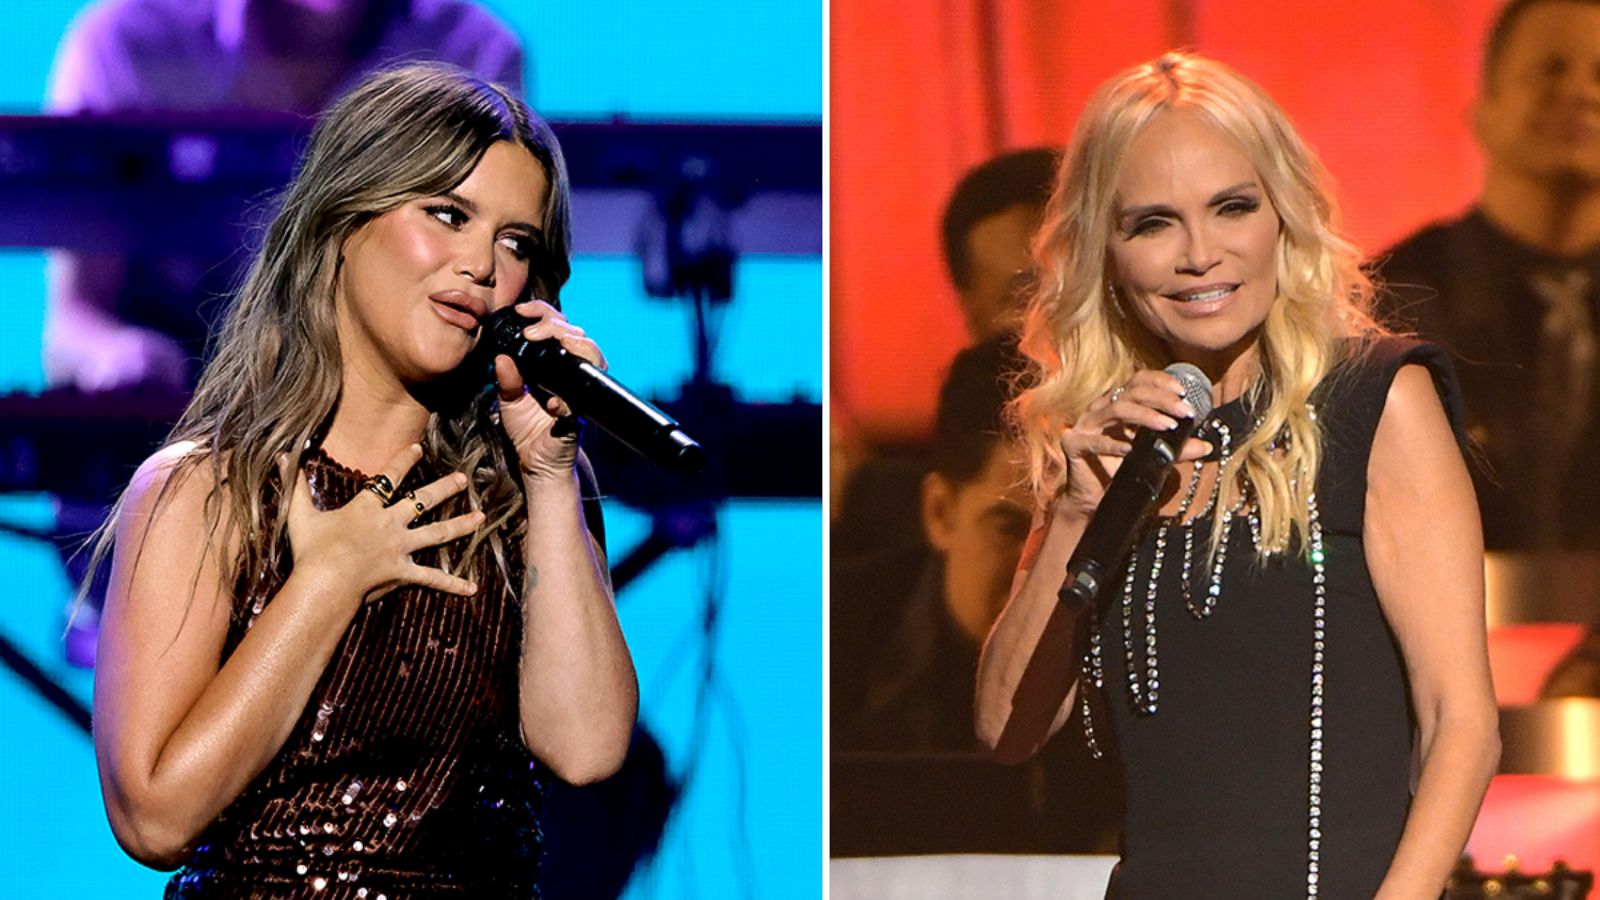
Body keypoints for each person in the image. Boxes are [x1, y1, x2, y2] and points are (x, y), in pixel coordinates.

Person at [87, 63, 637, 897]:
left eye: (515, 242)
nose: (482, 266)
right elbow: (155, 819)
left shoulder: (524, 493)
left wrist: (553, 476)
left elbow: (587, 748)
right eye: (447, 215)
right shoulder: (207, 491)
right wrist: (331, 578)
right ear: (346, 220)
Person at [975, 53, 1500, 898]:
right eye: (1152, 223)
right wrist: (1075, 515)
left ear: (1283, 215)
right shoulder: (1110, 442)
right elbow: (1005, 730)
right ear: (1104, 250)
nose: (1200, 255)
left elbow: (1461, 724)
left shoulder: (1376, 400)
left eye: (1232, 207)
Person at [831, 336, 1121, 855]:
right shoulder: (838, 638)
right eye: (1011, 528)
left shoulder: (1135, 654)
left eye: (1069, 532)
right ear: (939, 512)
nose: (1036, 568)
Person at [1379, 0, 1600, 550]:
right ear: (1483, 109)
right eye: (1550, 70)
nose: (1579, 93)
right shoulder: (1396, 299)